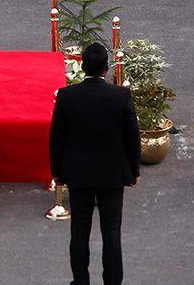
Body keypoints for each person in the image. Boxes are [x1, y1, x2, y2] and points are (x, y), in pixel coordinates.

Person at [49, 43, 141, 285]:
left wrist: (57, 172)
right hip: (112, 175)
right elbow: (132, 135)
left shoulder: (68, 96)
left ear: (81, 66)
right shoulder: (120, 96)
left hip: (78, 174)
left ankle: (80, 281)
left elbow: (56, 137)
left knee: (79, 231)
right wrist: (134, 171)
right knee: (111, 232)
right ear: (106, 69)